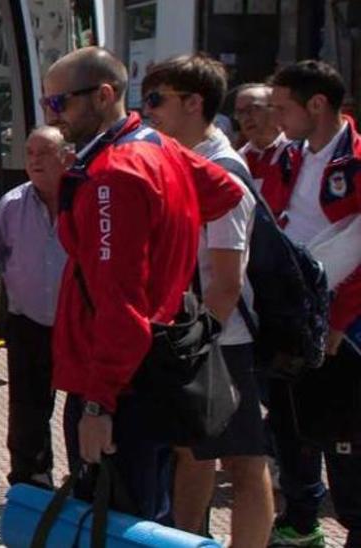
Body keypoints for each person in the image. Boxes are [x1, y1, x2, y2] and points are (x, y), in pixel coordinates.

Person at [42, 46, 243, 524]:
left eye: (59, 104)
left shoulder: (115, 173)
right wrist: (171, 225)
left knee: (117, 520)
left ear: (104, 95)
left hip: (122, 379)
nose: (53, 115)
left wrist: (98, 404)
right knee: (149, 512)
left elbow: (119, 299)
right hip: (153, 361)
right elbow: (224, 191)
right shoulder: (155, 145)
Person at [140, 54, 272, 546]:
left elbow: (226, 279)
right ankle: (188, 540)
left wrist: (196, 346)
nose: (147, 110)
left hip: (222, 338)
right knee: (193, 451)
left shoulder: (223, 171)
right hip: (201, 333)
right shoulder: (187, 158)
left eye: (157, 100)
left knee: (243, 460)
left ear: (194, 104)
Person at [261, 59, 361, 547]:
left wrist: (340, 323)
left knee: (345, 434)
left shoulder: (358, 161)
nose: (274, 117)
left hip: (344, 325)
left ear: (317, 105)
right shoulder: (288, 156)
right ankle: (301, 524)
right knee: (290, 426)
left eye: (282, 107)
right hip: (291, 318)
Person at [0, 126, 72, 489]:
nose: (34, 160)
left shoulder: (85, 199)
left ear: (66, 157)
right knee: (28, 412)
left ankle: (85, 485)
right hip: (28, 324)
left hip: (77, 326)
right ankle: (31, 484)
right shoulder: (12, 204)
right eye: (29, 153)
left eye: (44, 152)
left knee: (80, 412)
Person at [233, 83, 290, 188]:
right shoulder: (239, 160)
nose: (246, 118)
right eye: (240, 112)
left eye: (253, 109)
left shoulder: (297, 152)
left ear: (274, 109)